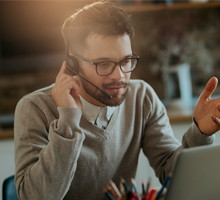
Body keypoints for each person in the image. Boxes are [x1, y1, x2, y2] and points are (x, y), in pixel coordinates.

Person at [14, 1, 220, 200]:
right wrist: (68, 121)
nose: (120, 76)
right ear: (74, 63)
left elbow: (170, 172)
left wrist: (199, 133)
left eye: (126, 61)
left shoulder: (142, 98)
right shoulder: (35, 108)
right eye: (104, 64)